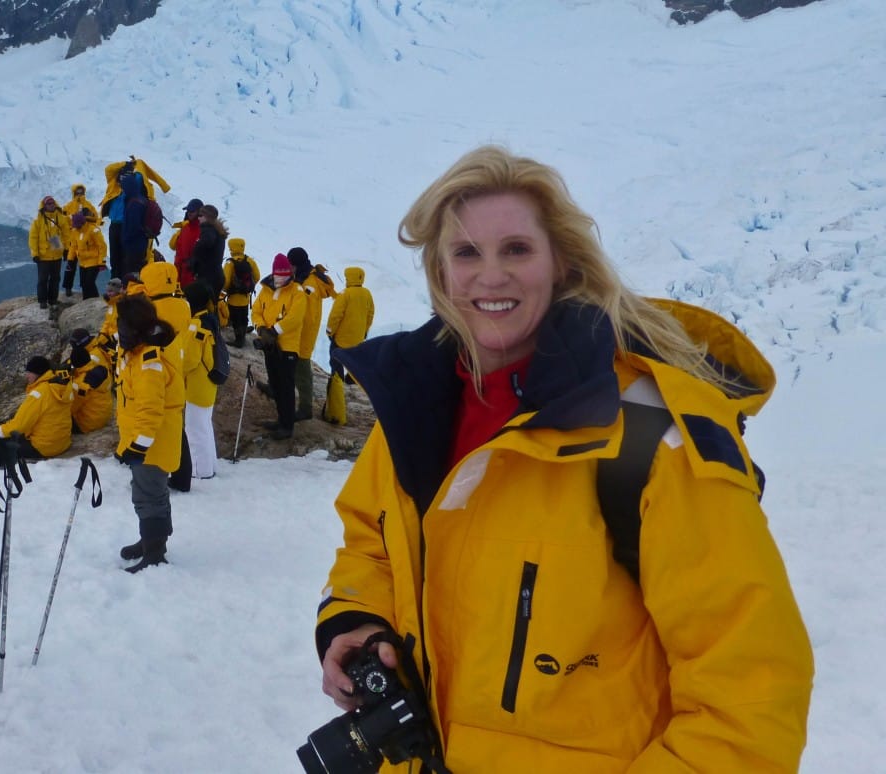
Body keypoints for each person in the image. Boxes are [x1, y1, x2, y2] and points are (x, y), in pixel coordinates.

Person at [311, 146, 814, 772]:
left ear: (561, 265)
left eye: (516, 250)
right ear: (441, 275)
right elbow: (370, 542)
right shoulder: (421, 405)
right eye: (466, 253)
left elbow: (751, 694)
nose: (490, 276)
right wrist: (355, 622)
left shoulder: (651, 433)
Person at [114, 293, 184, 573]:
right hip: (147, 441)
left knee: (148, 496)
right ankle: (151, 541)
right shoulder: (139, 353)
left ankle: (154, 553)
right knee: (151, 492)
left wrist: (138, 446)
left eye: (121, 326)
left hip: (150, 445)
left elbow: (150, 409)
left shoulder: (148, 363)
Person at [140, 260, 193, 492]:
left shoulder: (150, 310)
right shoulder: (183, 305)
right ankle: (183, 476)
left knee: (153, 422)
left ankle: (151, 473)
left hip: (156, 372)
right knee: (176, 426)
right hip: (178, 371)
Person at [0, 356, 73, 469]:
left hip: (44, 447)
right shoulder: (59, 387)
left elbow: (20, 426)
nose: (26, 375)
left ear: (39, 373)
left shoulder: (39, 394)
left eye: (30, 372)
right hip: (62, 442)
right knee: (9, 431)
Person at [251, 253, 306, 440]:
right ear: (274, 273)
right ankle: (281, 420)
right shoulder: (266, 290)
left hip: (288, 347)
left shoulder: (297, 291)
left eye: (284, 275)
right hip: (270, 345)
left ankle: (287, 425)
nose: (281, 279)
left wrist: (274, 331)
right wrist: (261, 329)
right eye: (278, 275)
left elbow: (295, 318)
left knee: (286, 386)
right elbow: (256, 310)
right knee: (275, 383)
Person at [286, 246, 337, 421]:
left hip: (304, 330)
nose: (289, 268)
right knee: (287, 361)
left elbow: (305, 312)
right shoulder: (304, 276)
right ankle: (277, 389)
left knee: (302, 367)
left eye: (290, 264)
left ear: (297, 264)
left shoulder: (309, 283)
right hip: (299, 328)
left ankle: (306, 407)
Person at [100, 156, 171, 280]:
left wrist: (136, 164)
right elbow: (109, 169)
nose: (123, 179)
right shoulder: (114, 185)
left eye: (126, 177)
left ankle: (124, 284)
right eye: (122, 176)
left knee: (127, 258)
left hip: (127, 225)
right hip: (114, 225)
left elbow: (140, 173)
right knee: (115, 257)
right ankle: (115, 281)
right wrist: (125, 164)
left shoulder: (136, 185)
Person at [323, 265, 375, 425]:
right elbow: (370, 313)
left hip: (341, 340)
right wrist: (365, 331)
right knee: (354, 366)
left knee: (336, 372)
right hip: (358, 339)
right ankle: (352, 382)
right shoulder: (367, 294)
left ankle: (337, 415)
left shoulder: (345, 294)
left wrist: (329, 331)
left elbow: (335, 315)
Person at [182, 282, 222, 480]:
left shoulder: (196, 326)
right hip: (208, 382)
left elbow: (189, 360)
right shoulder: (211, 320)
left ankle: (200, 470)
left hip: (197, 384)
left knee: (195, 428)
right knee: (204, 425)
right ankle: (210, 464)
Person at [65, 328, 113, 434]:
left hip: (88, 422)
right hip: (104, 412)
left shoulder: (81, 384)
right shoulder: (99, 368)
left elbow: (71, 409)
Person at [28, 195, 70, 312]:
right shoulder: (38, 221)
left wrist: (66, 249)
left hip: (56, 255)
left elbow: (67, 234)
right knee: (43, 279)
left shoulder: (61, 218)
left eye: (52, 203)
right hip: (43, 256)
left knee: (55, 278)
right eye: (48, 204)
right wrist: (35, 254)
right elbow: (33, 238)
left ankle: (53, 299)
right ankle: (42, 301)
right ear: (44, 206)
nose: (51, 205)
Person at [61, 183, 100, 296]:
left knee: (85, 267)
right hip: (72, 241)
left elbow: (96, 219)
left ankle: (86, 289)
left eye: (81, 192)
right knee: (70, 265)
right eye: (77, 192)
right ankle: (68, 287)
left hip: (86, 241)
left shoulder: (89, 206)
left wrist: (87, 216)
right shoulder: (68, 207)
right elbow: (63, 222)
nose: (79, 194)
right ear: (74, 193)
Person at [222, 237, 260, 347]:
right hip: (245, 297)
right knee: (244, 315)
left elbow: (226, 281)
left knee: (235, 317)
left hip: (233, 298)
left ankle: (239, 339)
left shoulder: (230, 263)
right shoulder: (249, 260)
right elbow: (257, 276)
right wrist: (248, 287)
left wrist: (226, 289)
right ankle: (243, 330)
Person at [64, 209, 108, 299]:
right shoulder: (75, 231)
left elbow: (102, 246)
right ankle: (86, 301)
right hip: (83, 263)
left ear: (82, 223)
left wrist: (102, 262)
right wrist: (70, 260)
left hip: (94, 261)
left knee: (89, 283)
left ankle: (95, 301)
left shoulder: (93, 230)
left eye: (77, 226)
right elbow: (73, 247)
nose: (76, 227)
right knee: (84, 284)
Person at [189, 204, 228, 300]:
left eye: (200, 215)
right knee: (212, 306)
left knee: (203, 307)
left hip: (207, 277)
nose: (198, 218)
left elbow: (206, 243)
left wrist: (194, 260)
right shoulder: (218, 231)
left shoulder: (208, 230)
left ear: (207, 217)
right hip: (217, 275)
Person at [172, 198, 204, 288]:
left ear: (199, 212)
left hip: (196, 277)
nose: (189, 212)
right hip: (183, 276)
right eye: (188, 210)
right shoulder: (185, 228)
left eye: (192, 211)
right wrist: (176, 275)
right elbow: (178, 253)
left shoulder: (205, 230)